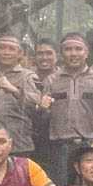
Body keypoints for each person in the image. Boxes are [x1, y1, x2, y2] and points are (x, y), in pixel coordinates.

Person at [40, 33, 93, 186]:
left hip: (90, 147)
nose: (73, 53)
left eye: (78, 49)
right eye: (68, 49)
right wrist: (42, 109)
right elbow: (44, 118)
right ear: (61, 53)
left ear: (87, 52)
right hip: (60, 148)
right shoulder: (51, 80)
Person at [0, 34, 42, 157]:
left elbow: (37, 105)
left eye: (11, 49)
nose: (6, 52)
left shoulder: (28, 76)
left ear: (20, 53)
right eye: (2, 48)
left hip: (19, 144)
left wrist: (14, 90)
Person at [30, 38, 58, 172]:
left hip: (55, 140)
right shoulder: (26, 77)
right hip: (29, 138)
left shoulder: (63, 78)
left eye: (49, 53)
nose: (44, 57)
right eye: (40, 54)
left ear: (57, 56)